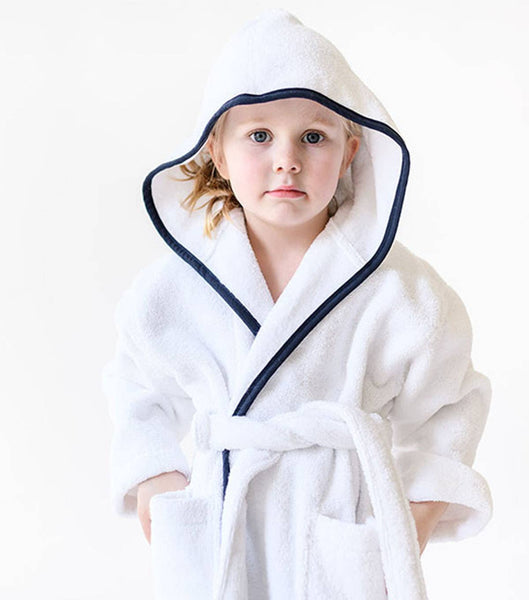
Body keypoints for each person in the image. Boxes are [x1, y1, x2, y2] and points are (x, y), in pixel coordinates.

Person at [101, 8, 492, 600]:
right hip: (221, 531)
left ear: (350, 150)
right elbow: (136, 384)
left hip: (341, 527)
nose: (287, 159)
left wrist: (413, 517)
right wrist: (154, 475)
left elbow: (453, 404)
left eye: (313, 137)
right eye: (259, 135)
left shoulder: (400, 290)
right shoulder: (175, 286)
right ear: (218, 151)